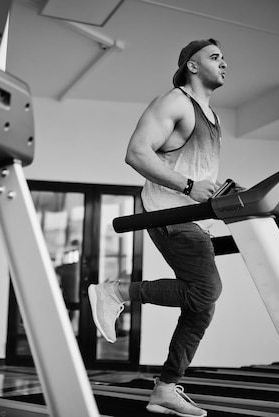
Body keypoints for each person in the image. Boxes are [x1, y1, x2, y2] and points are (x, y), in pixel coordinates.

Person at [88, 38, 228, 417]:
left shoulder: (212, 117)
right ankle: (115, 291)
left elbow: (196, 174)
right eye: (215, 57)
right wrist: (187, 186)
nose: (224, 63)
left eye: (224, 58)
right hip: (168, 213)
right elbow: (136, 152)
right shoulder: (176, 101)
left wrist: (216, 196)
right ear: (192, 66)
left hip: (193, 218)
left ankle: (165, 388)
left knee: (202, 306)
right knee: (207, 289)